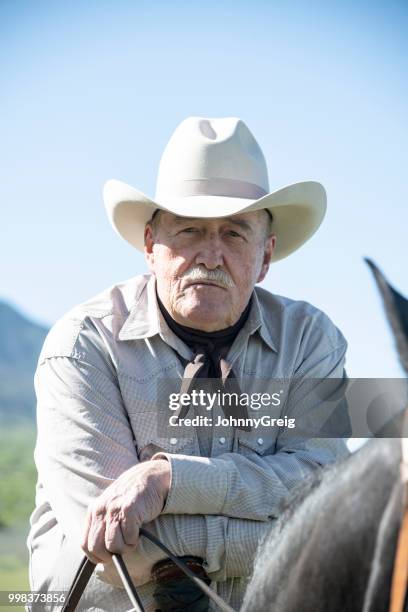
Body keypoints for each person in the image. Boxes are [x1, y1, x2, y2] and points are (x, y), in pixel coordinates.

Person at [27, 116, 350, 611]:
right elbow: (117, 553)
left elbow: (327, 490)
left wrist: (168, 481)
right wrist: (287, 534)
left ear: (265, 257)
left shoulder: (312, 341)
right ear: (151, 245)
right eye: (190, 230)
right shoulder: (82, 346)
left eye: (235, 234)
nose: (211, 256)